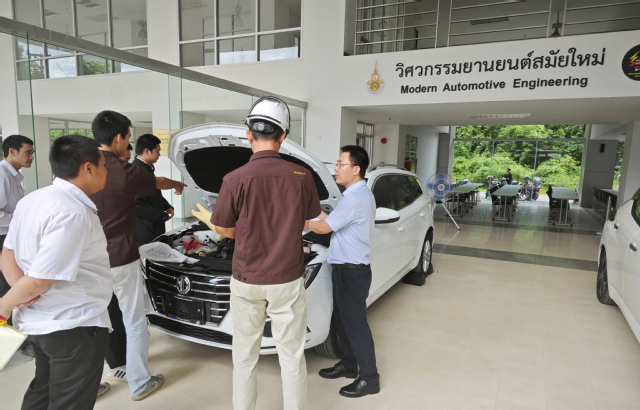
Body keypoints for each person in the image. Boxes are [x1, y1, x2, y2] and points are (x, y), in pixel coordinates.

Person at [209, 97, 320, 410]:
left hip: (247, 279)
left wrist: (248, 230)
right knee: (292, 356)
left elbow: (223, 229)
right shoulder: (303, 177)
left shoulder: (234, 179)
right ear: (283, 136)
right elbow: (305, 223)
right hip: (287, 279)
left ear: (249, 134)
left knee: (245, 357)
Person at [0, 135, 112, 410]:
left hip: (40, 323)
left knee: (42, 390)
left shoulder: (33, 199)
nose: (106, 171)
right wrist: (6, 304)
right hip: (72, 324)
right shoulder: (73, 212)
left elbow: (7, 252)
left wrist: (21, 293)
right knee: (68, 402)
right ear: (88, 168)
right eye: (103, 165)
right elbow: (40, 280)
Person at [89, 110, 186, 401]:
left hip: (88, 261)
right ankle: (140, 382)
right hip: (121, 258)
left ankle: (89, 385)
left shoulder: (82, 165)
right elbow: (157, 183)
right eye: (128, 137)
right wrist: (176, 185)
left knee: (92, 322)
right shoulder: (122, 170)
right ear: (119, 138)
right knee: (134, 320)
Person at [308, 145, 380, 398]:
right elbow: (330, 220)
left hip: (352, 272)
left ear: (356, 169)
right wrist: (310, 209)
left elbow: (324, 228)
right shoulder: (354, 194)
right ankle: (349, 364)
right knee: (342, 320)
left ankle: (370, 378)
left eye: (340, 164)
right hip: (346, 270)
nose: (336, 169)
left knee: (356, 325)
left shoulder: (354, 198)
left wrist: (297, 219)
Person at [0, 135, 34, 328]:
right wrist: (19, 219)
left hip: (8, 237)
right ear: (12, 151)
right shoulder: (2, 174)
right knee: (6, 287)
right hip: (2, 238)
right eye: (27, 152)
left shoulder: (13, 175)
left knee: (11, 286)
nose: (31, 157)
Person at [133, 134, 174, 246]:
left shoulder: (147, 168)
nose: (159, 154)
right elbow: (138, 205)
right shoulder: (137, 171)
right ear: (147, 151)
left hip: (153, 226)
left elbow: (153, 193)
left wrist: (166, 205)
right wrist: (162, 215)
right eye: (157, 151)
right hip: (146, 229)